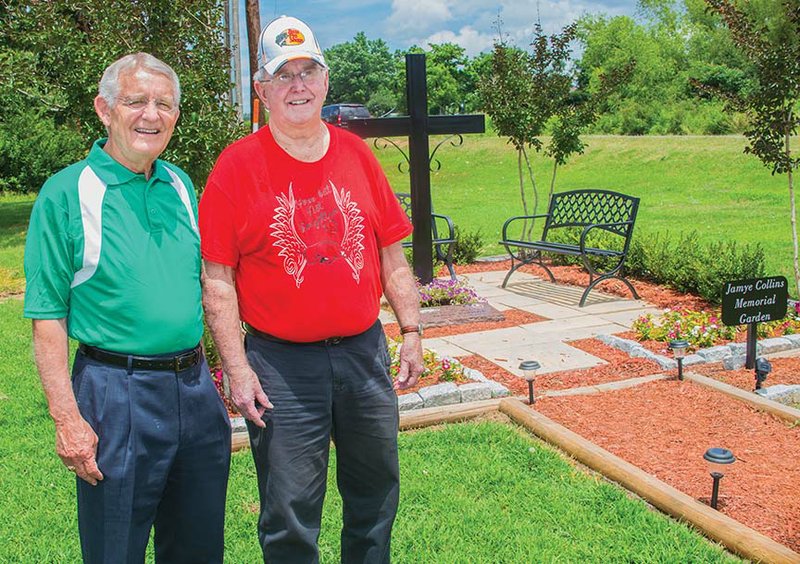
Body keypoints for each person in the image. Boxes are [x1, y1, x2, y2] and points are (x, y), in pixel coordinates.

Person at [199, 15, 424, 563]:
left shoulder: (358, 155)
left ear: (325, 80)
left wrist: (412, 329)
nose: (298, 86)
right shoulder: (236, 168)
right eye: (284, 75)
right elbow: (218, 280)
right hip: (280, 364)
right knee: (290, 511)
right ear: (262, 89)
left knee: (375, 497)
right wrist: (238, 365)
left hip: (363, 354)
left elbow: (391, 253)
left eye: (308, 71)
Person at [23, 53, 231, 564]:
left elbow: (207, 283)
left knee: (198, 548)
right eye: (136, 101)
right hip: (117, 392)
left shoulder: (180, 184)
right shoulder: (67, 193)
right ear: (104, 109)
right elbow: (47, 315)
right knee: (115, 548)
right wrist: (66, 417)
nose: (151, 115)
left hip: (195, 389)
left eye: (164, 104)